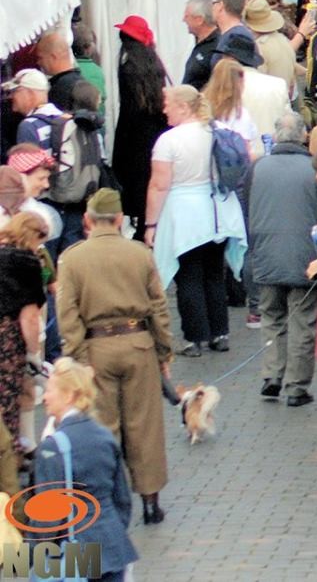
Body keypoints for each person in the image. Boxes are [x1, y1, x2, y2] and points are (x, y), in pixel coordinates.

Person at [56, 188, 172, 526]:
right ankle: (151, 502)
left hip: (95, 350)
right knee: (145, 427)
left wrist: (77, 358)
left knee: (103, 426)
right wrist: (164, 350)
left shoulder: (72, 258)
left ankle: (103, 503)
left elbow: (68, 314)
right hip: (138, 344)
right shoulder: (139, 254)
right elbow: (158, 307)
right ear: (120, 219)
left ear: (88, 220)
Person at [143, 85, 247, 356]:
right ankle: (220, 333)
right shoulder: (217, 130)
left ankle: (195, 337)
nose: (163, 109)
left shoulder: (169, 140)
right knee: (214, 272)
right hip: (219, 210)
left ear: (183, 106)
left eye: (167, 103)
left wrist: (151, 224)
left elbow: (159, 185)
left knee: (188, 274)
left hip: (184, 213)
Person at [31, 358, 142, 576]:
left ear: (70, 394)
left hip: (75, 555)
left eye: (50, 390)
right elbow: (122, 500)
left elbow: (48, 517)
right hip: (114, 548)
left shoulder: (51, 448)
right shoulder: (104, 436)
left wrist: (26, 557)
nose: (44, 397)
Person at [245, 117, 317, 406]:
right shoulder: (314, 168)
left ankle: (272, 375)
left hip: (265, 254)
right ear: (304, 135)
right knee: (303, 320)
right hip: (305, 256)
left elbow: (247, 206)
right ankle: (296, 386)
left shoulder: (257, 168)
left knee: (271, 315)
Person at [0, 212, 46, 493]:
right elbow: (29, 316)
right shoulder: (25, 263)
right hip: (6, 340)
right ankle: (9, 482)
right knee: (8, 406)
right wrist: (32, 353)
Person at [110, 19, 169, 222]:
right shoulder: (155, 63)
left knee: (138, 185)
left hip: (134, 138)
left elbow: (128, 111)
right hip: (156, 132)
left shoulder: (127, 68)